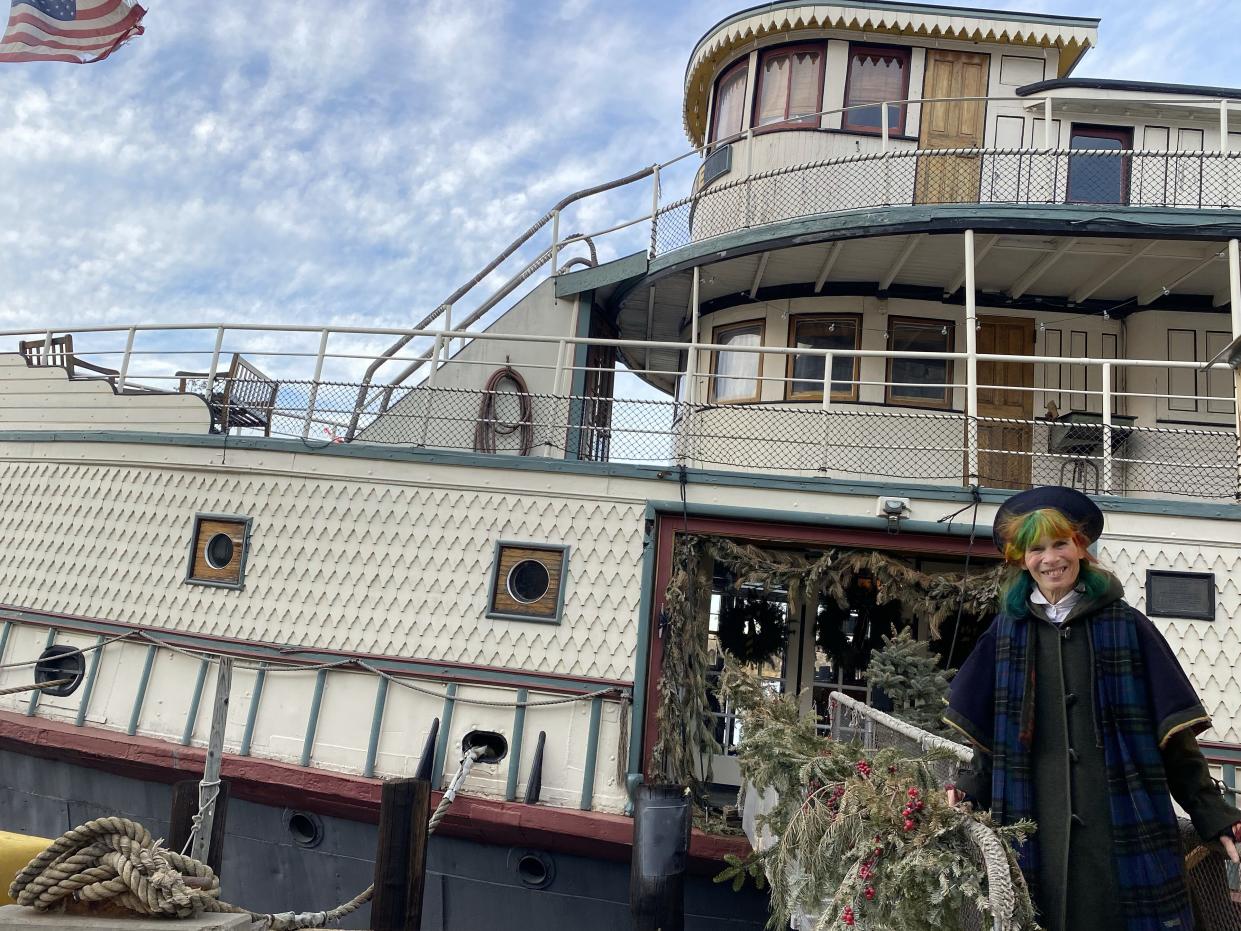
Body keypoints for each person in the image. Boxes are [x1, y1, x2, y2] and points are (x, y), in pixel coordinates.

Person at [943, 486, 1241, 931]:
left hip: (1122, 823)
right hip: (1032, 821)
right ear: (1021, 559)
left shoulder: (1127, 625)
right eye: (1036, 548)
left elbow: (1173, 741)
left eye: (1060, 543)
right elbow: (994, 739)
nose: (1050, 559)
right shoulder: (1006, 633)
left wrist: (1212, 813)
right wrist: (968, 787)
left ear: (1081, 548)